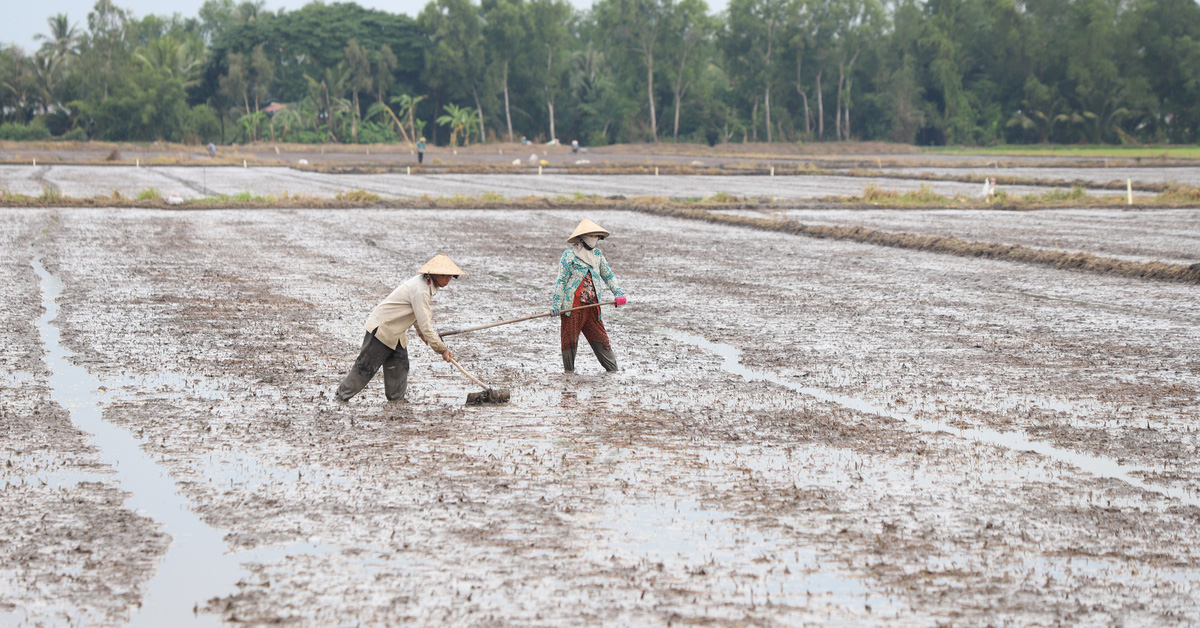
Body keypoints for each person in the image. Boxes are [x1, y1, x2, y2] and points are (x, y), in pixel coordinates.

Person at [335, 253, 462, 402]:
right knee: (365, 368)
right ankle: (340, 397)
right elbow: (425, 323)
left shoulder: (426, 284)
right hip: (383, 329)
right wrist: (442, 349)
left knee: (400, 366)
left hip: (396, 332)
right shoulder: (421, 289)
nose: (447, 280)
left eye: (450, 277)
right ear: (433, 273)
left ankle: (397, 402)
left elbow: (416, 314)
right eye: (444, 276)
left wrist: (421, 334)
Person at [551, 219, 627, 373]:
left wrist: (618, 293)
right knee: (569, 344)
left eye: (597, 236)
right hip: (572, 309)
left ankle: (613, 372)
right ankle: (569, 375)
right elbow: (561, 281)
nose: (595, 238)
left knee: (603, 342)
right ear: (583, 237)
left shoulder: (597, 255)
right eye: (592, 235)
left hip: (593, 309)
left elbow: (608, 275)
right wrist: (556, 306)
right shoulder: (569, 256)